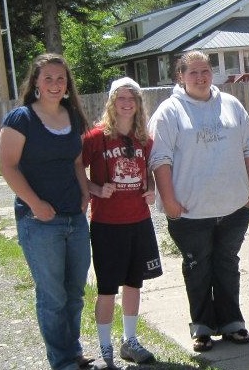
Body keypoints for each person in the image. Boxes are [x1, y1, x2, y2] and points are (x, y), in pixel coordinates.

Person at [148, 50, 249, 352]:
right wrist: (168, 199)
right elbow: (159, 158)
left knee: (227, 265)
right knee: (198, 269)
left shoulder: (231, 104)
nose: (200, 77)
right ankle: (202, 327)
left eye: (205, 71)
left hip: (233, 208)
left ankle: (232, 323)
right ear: (180, 77)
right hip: (190, 213)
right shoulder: (169, 112)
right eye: (192, 72)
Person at [0, 53, 94, 370]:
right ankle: (62, 360)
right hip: (39, 222)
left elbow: (77, 162)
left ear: (67, 85)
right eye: (49, 78)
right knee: (52, 296)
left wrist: (85, 193)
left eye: (61, 79)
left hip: (74, 218)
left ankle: (73, 351)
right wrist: (35, 204)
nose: (55, 84)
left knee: (75, 292)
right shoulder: (21, 119)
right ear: (36, 82)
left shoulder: (72, 116)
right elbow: (7, 166)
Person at [82, 77, 158, 369]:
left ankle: (130, 340)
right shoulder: (96, 137)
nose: (127, 104)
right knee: (107, 289)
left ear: (139, 104)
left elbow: (147, 170)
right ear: (111, 103)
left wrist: (150, 187)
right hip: (107, 223)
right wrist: (95, 189)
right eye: (121, 98)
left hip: (138, 220)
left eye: (132, 98)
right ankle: (105, 348)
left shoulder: (143, 139)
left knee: (134, 284)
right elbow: (76, 168)